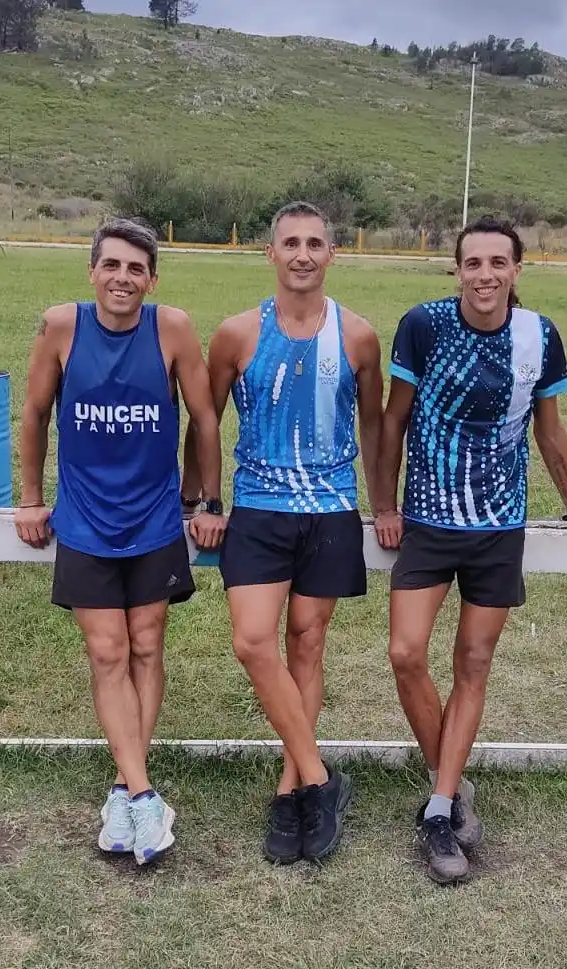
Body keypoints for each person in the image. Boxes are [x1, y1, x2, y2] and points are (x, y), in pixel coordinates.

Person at [374, 217, 567, 885]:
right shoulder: (422, 325)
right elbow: (393, 419)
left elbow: (550, 431)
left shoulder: (538, 335)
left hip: (497, 526)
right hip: (426, 520)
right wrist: (387, 505)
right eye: (472, 262)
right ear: (456, 270)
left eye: (497, 262)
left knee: (473, 662)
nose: (484, 274)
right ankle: (449, 781)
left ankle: (440, 808)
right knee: (405, 653)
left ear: (517, 269)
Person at [14, 218, 226, 866]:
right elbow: (34, 415)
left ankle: (124, 791)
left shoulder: (173, 329)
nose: (123, 278)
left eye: (136, 269)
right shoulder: (61, 327)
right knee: (107, 652)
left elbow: (205, 417)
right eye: (112, 265)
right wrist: (30, 498)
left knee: (146, 643)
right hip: (83, 519)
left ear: (151, 278)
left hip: (156, 518)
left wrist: (209, 501)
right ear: (93, 271)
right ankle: (142, 793)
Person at [181, 201, 384, 864]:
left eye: (315, 243)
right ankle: (322, 779)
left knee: (309, 644)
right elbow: (205, 419)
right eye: (290, 243)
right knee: (251, 642)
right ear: (270, 253)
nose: (302, 254)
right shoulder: (237, 334)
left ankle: (291, 787)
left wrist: (384, 503)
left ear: (333, 254)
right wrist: (206, 500)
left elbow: (376, 426)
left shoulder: (357, 336)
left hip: (329, 510)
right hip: (260, 509)